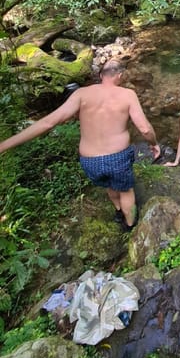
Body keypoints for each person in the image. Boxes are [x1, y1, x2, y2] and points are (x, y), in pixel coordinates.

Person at [0, 61, 160, 231]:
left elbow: (48, 123)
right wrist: (153, 144)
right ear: (119, 76)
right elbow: (144, 128)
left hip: (90, 161)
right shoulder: (128, 95)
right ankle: (130, 226)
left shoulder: (81, 94)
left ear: (101, 76)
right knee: (126, 190)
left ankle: (118, 211)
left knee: (109, 185)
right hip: (117, 158)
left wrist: (4, 145)